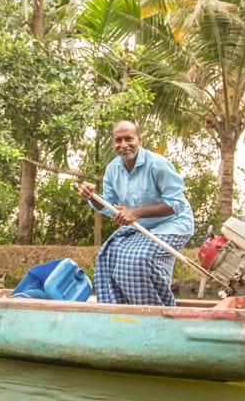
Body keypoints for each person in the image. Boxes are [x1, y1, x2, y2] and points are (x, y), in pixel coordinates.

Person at [76, 120, 194, 306]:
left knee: (139, 259)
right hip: (141, 228)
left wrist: (136, 213)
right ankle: (121, 313)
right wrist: (91, 197)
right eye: (118, 140)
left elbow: (176, 204)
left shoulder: (157, 164)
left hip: (175, 224)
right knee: (108, 256)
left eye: (128, 139)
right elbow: (109, 205)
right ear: (113, 143)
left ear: (139, 139)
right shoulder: (113, 169)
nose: (123, 145)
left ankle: (157, 311)